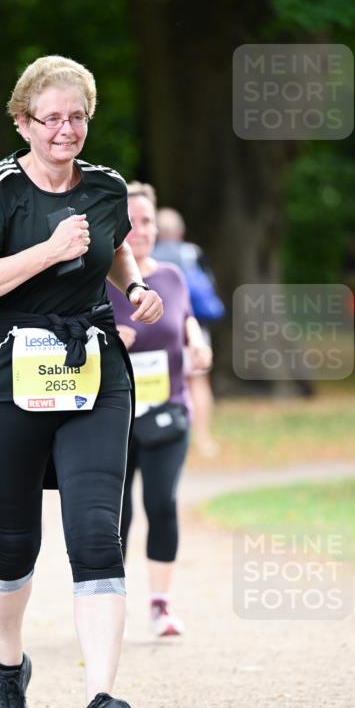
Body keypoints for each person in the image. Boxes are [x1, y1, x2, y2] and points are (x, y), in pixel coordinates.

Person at [0, 55, 163, 708]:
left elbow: (114, 250)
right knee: (14, 547)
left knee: (97, 535)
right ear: (23, 121)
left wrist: (132, 289)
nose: (65, 130)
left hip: (92, 370)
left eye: (77, 117)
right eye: (51, 118)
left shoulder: (105, 187)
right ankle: (10, 668)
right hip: (5, 374)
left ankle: (100, 702)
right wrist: (46, 251)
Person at [108, 184, 212, 636]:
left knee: (162, 503)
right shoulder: (97, 280)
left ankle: (161, 604)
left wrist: (197, 341)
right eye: (131, 222)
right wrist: (113, 342)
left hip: (168, 410)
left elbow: (185, 318)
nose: (141, 231)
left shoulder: (171, 275)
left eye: (148, 221)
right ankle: (110, 603)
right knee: (118, 512)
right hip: (113, 415)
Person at [156, 206, 221, 457]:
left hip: (161, 330)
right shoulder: (193, 253)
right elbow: (209, 286)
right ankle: (203, 439)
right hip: (196, 327)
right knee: (199, 381)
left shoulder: (148, 255)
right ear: (180, 231)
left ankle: (163, 429)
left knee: (161, 380)